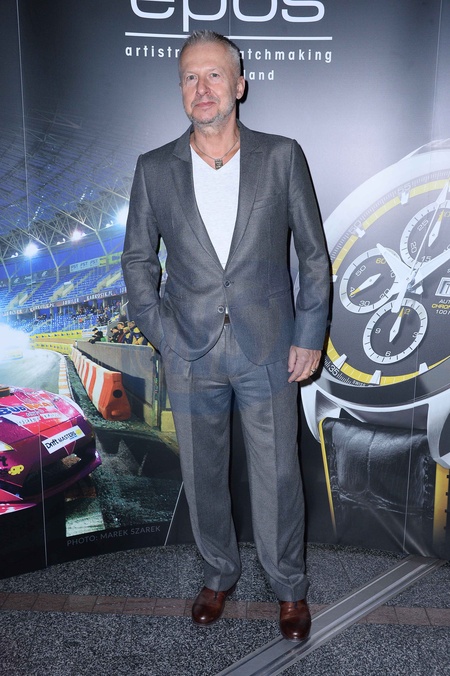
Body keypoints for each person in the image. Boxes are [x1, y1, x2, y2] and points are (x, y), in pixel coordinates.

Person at [122, 30, 329, 643]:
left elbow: (313, 256)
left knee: (279, 478)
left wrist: (309, 334)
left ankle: (288, 586)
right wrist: (161, 331)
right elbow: (138, 260)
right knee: (203, 478)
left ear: (239, 85)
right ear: (181, 90)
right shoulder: (153, 168)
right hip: (188, 351)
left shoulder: (282, 156)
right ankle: (218, 573)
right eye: (190, 77)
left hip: (270, 348)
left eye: (214, 75)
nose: (202, 87)